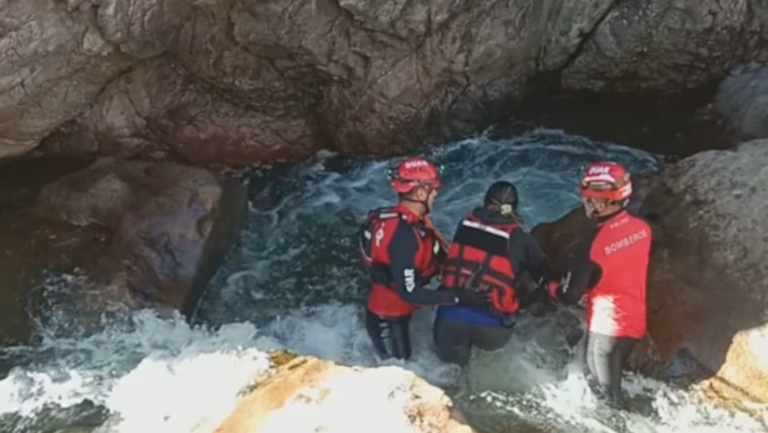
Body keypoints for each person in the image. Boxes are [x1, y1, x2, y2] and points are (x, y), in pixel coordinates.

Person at [358, 156, 491, 361]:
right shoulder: (405, 237)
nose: (436, 193)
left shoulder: (386, 217)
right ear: (420, 192)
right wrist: (458, 297)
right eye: (433, 189)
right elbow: (409, 293)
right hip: (389, 320)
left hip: (387, 306)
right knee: (400, 374)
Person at [548, 161, 652, 408]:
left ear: (601, 202)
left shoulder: (591, 247)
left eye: (588, 198)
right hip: (636, 323)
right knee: (612, 389)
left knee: (609, 398)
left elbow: (570, 295)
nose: (585, 203)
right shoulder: (643, 229)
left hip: (607, 331)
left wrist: (550, 288)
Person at [432, 180, 551, 366]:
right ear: (514, 207)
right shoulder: (521, 238)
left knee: (450, 372)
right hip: (492, 331)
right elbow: (545, 277)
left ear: (486, 201)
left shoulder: (464, 224)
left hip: (449, 321)